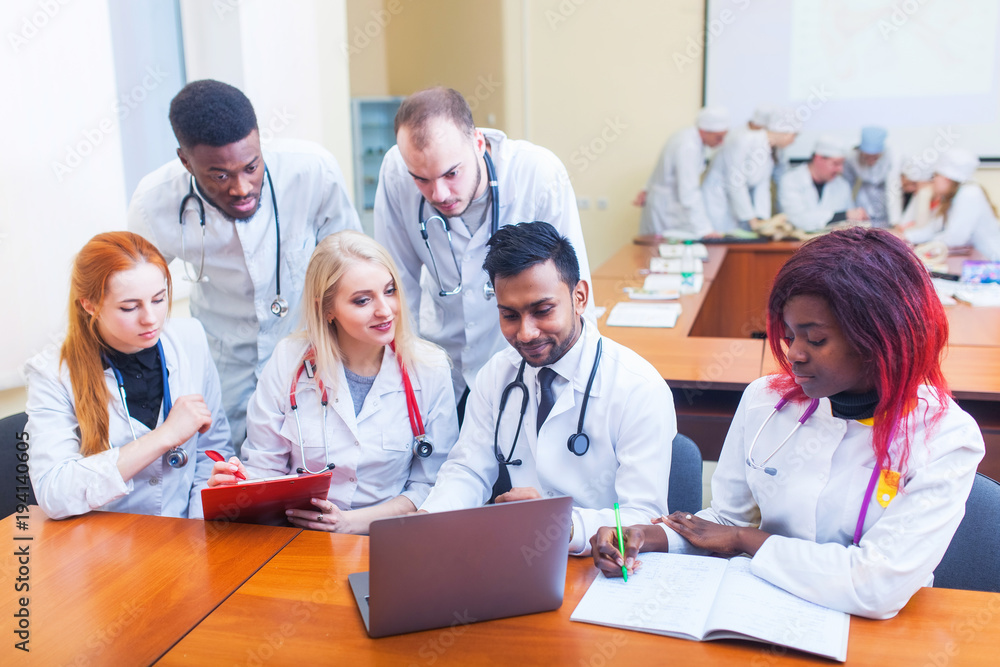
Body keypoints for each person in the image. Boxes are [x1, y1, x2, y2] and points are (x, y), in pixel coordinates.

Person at [590, 228, 985, 619]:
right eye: (789, 334)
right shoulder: (765, 401)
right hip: (764, 610)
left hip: (873, 635)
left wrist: (749, 541)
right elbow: (726, 523)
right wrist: (645, 536)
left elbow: (875, 586)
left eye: (815, 341)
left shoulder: (945, 438)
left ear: (880, 339)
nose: (794, 354)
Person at [128, 80, 361, 450]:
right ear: (186, 161)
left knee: (320, 466)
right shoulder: (153, 203)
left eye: (251, 167)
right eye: (219, 175)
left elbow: (354, 267)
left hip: (312, 352)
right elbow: (131, 287)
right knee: (232, 475)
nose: (240, 187)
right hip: (223, 365)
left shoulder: (312, 171)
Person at [419, 222, 675, 556]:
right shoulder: (498, 373)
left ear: (579, 297)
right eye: (509, 315)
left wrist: (560, 524)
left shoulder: (639, 387)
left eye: (542, 311)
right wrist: (428, 522)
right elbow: (467, 469)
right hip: (516, 557)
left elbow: (644, 517)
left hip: (598, 566)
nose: (525, 334)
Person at [208, 231, 458, 534]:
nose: (385, 310)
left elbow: (430, 483)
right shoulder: (289, 361)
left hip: (389, 537)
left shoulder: (429, 368)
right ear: (326, 309)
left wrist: (350, 523)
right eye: (362, 300)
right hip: (298, 539)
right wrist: (236, 486)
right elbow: (265, 469)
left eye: (390, 290)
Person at [373, 87, 594, 412]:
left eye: (452, 173)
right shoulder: (395, 170)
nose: (439, 193)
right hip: (442, 363)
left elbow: (571, 288)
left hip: (523, 360)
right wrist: (399, 379)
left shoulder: (537, 174)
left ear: (478, 142)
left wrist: (578, 395)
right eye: (421, 179)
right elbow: (394, 284)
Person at [26, 232, 231, 520]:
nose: (151, 318)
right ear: (89, 304)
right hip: (103, 547)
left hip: (187, 537)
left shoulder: (190, 339)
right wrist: (164, 436)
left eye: (159, 299)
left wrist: (198, 532)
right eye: (130, 307)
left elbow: (212, 451)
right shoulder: (53, 373)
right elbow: (54, 493)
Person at [636, 106, 729, 237]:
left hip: (666, 204)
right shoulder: (688, 146)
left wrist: (646, 187)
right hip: (665, 210)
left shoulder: (686, 135)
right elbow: (689, 192)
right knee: (662, 250)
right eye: (718, 138)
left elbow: (662, 167)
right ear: (703, 131)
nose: (721, 143)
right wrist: (705, 230)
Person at [701, 114, 797, 232]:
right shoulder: (743, 140)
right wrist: (751, 219)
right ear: (784, 132)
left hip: (736, 205)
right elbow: (735, 182)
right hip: (718, 199)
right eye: (794, 136)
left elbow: (762, 186)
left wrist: (763, 219)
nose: (793, 141)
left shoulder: (769, 148)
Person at [904, 149, 1000, 260]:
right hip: (978, 261)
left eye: (935, 176)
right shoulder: (952, 196)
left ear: (947, 178)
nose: (933, 180)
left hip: (991, 263)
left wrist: (925, 247)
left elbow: (956, 238)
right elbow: (933, 228)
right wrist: (906, 236)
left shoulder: (969, 193)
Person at [778, 136, 869, 232]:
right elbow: (796, 219)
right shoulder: (791, 180)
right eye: (835, 163)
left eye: (842, 164)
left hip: (834, 245)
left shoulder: (842, 185)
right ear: (818, 159)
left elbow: (851, 221)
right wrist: (843, 215)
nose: (840, 169)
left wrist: (858, 218)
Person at [842, 126, 902, 227]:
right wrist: (852, 211)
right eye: (867, 157)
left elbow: (894, 187)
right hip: (863, 201)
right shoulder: (851, 157)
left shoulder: (893, 156)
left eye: (875, 157)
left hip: (885, 200)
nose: (870, 161)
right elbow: (847, 185)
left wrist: (895, 222)